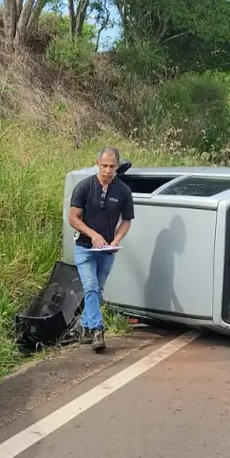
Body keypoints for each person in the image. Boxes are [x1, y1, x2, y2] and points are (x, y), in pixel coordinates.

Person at [68, 146, 134, 352]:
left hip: (107, 250)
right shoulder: (84, 187)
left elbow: (127, 221)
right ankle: (98, 330)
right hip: (84, 248)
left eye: (112, 166)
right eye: (104, 165)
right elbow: (73, 218)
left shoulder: (123, 191)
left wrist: (116, 240)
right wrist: (93, 235)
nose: (107, 170)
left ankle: (84, 326)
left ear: (117, 167)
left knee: (97, 290)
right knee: (90, 286)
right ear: (97, 164)